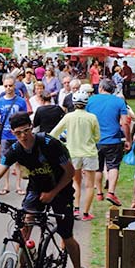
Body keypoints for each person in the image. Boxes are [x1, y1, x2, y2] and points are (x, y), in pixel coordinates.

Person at [0, 111, 89, 268]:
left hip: (61, 189)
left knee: (66, 236)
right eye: (18, 133)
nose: (23, 136)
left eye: (26, 131)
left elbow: (70, 172)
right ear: (13, 133)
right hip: (36, 187)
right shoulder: (16, 149)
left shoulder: (50, 144)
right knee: (24, 227)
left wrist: (52, 193)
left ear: (31, 127)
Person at [50, 91, 100, 221]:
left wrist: (63, 142)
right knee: (89, 185)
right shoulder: (92, 117)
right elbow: (97, 137)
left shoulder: (68, 117)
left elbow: (54, 133)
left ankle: (76, 209)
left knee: (75, 182)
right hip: (89, 153)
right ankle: (86, 213)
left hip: (73, 153)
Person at [86, 79, 130, 206]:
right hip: (113, 139)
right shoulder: (119, 102)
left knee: (97, 167)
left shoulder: (91, 101)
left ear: (100, 88)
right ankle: (111, 192)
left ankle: (99, 193)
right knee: (113, 166)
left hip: (95, 140)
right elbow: (125, 122)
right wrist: (128, 139)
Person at [0, 75, 28, 195]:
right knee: (5, 161)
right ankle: (6, 185)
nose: (8, 88)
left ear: (14, 86)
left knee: (19, 161)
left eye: (10, 85)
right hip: (5, 135)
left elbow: (24, 118)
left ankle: (18, 185)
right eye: (6, 86)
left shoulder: (21, 101)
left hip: (18, 136)